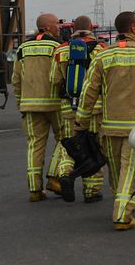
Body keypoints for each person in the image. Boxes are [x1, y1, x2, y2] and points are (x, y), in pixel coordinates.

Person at [76, 12, 135, 230]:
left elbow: (89, 90)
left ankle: (120, 202)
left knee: (116, 171)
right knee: (130, 170)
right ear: (134, 28)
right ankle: (122, 214)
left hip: (109, 126)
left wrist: (82, 119)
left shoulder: (103, 56)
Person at [51, 15, 106, 203]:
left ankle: (65, 173)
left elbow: (55, 79)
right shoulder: (101, 49)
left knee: (70, 144)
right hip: (95, 106)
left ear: (73, 28)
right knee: (94, 146)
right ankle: (92, 191)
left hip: (69, 106)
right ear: (91, 27)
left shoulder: (61, 50)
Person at [12, 13, 63, 202]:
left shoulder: (23, 48)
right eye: (57, 24)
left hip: (30, 105)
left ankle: (34, 189)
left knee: (34, 145)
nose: (59, 27)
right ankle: (54, 177)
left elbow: (15, 79)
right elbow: (60, 76)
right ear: (48, 27)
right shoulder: (56, 47)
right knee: (65, 139)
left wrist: (20, 103)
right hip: (55, 103)